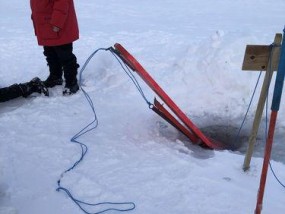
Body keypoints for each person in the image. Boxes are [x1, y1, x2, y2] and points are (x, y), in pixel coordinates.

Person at [30, 0, 80, 95]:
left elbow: (62, 3)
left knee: (65, 55)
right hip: (45, 24)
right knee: (50, 53)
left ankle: (71, 81)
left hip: (58, 25)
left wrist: (57, 22)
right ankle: (55, 77)